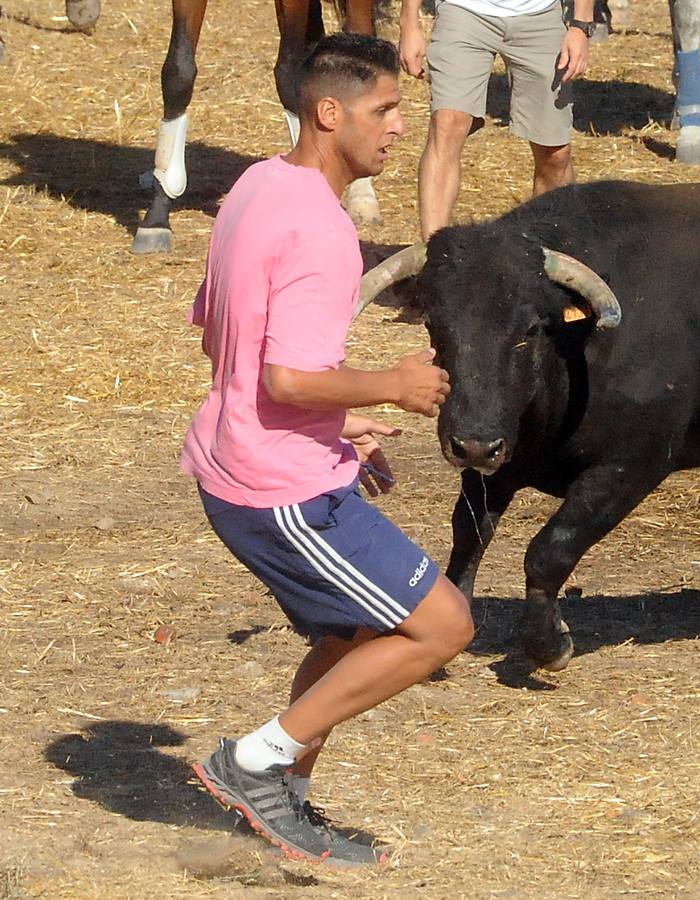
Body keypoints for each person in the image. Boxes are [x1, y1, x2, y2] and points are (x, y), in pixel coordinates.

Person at [182, 32, 475, 866]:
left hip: (244, 458)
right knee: (441, 627)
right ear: (328, 112)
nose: (395, 128)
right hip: (278, 490)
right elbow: (283, 376)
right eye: (383, 111)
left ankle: (288, 802)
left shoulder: (256, 186)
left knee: (351, 636)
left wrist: (333, 418)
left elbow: (224, 345)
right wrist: (388, 384)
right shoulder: (321, 232)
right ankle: (252, 762)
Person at [398, 0, 594, 240]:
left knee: (554, 153)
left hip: (538, 16)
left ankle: (552, 248)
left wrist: (581, 25)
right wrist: (409, 22)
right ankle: (435, 254)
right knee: (446, 125)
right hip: (463, 11)